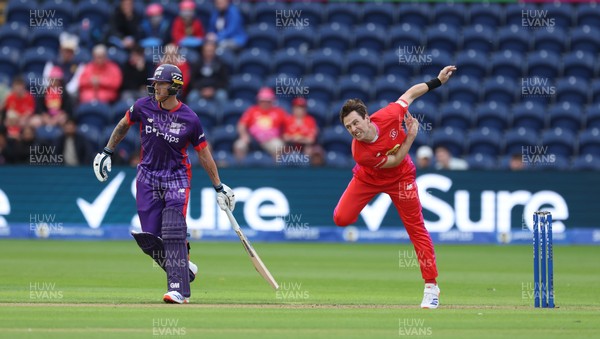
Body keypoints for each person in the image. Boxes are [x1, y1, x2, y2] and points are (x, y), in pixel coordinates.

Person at [93, 64, 235, 304]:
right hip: (147, 176)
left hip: (176, 176)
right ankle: (185, 269)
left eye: (161, 83)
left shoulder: (190, 118)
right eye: (155, 83)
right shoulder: (142, 106)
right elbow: (123, 124)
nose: (156, 87)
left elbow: (203, 153)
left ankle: (179, 289)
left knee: (172, 230)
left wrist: (219, 186)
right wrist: (107, 151)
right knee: (151, 238)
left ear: (175, 87)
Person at [333, 65, 457, 309]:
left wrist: (437, 81)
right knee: (341, 218)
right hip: (368, 178)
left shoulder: (390, 114)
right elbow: (394, 159)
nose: (354, 130)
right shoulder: (359, 152)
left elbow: (409, 94)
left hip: (401, 179)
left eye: (356, 123)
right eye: (348, 127)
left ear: (367, 118)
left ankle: (431, 287)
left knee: (416, 229)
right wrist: (410, 136)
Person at [234, 87, 287, 161]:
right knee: (239, 145)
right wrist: (244, 135)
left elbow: (287, 125)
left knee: (278, 146)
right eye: (262, 101)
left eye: (267, 101)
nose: (265, 103)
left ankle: (277, 170)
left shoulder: (279, 112)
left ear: (272, 101)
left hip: (271, 139)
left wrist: (283, 136)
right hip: (252, 139)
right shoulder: (252, 110)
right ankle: (239, 169)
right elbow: (241, 125)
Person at [282, 97, 323, 166]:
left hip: (305, 147)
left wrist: (298, 139)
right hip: (290, 146)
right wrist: (299, 138)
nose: (299, 110)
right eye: (297, 107)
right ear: (293, 108)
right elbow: (285, 137)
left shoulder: (310, 120)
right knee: (279, 150)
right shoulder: (288, 120)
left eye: (301, 108)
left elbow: (311, 139)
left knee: (313, 151)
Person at [42, 32, 84, 101]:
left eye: (70, 51)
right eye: (66, 51)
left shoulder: (78, 65)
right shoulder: (52, 63)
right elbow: (46, 80)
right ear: (61, 50)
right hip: (52, 91)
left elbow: (75, 83)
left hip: (68, 95)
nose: (67, 54)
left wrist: (63, 92)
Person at [190, 38, 229, 104]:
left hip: (215, 90)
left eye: (211, 51)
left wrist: (213, 89)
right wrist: (202, 89)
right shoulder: (197, 63)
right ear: (203, 51)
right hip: (200, 89)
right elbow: (193, 80)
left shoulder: (221, 63)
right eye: (207, 51)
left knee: (222, 96)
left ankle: (221, 114)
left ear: (214, 51)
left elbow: (224, 81)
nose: (209, 53)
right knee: (192, 96)